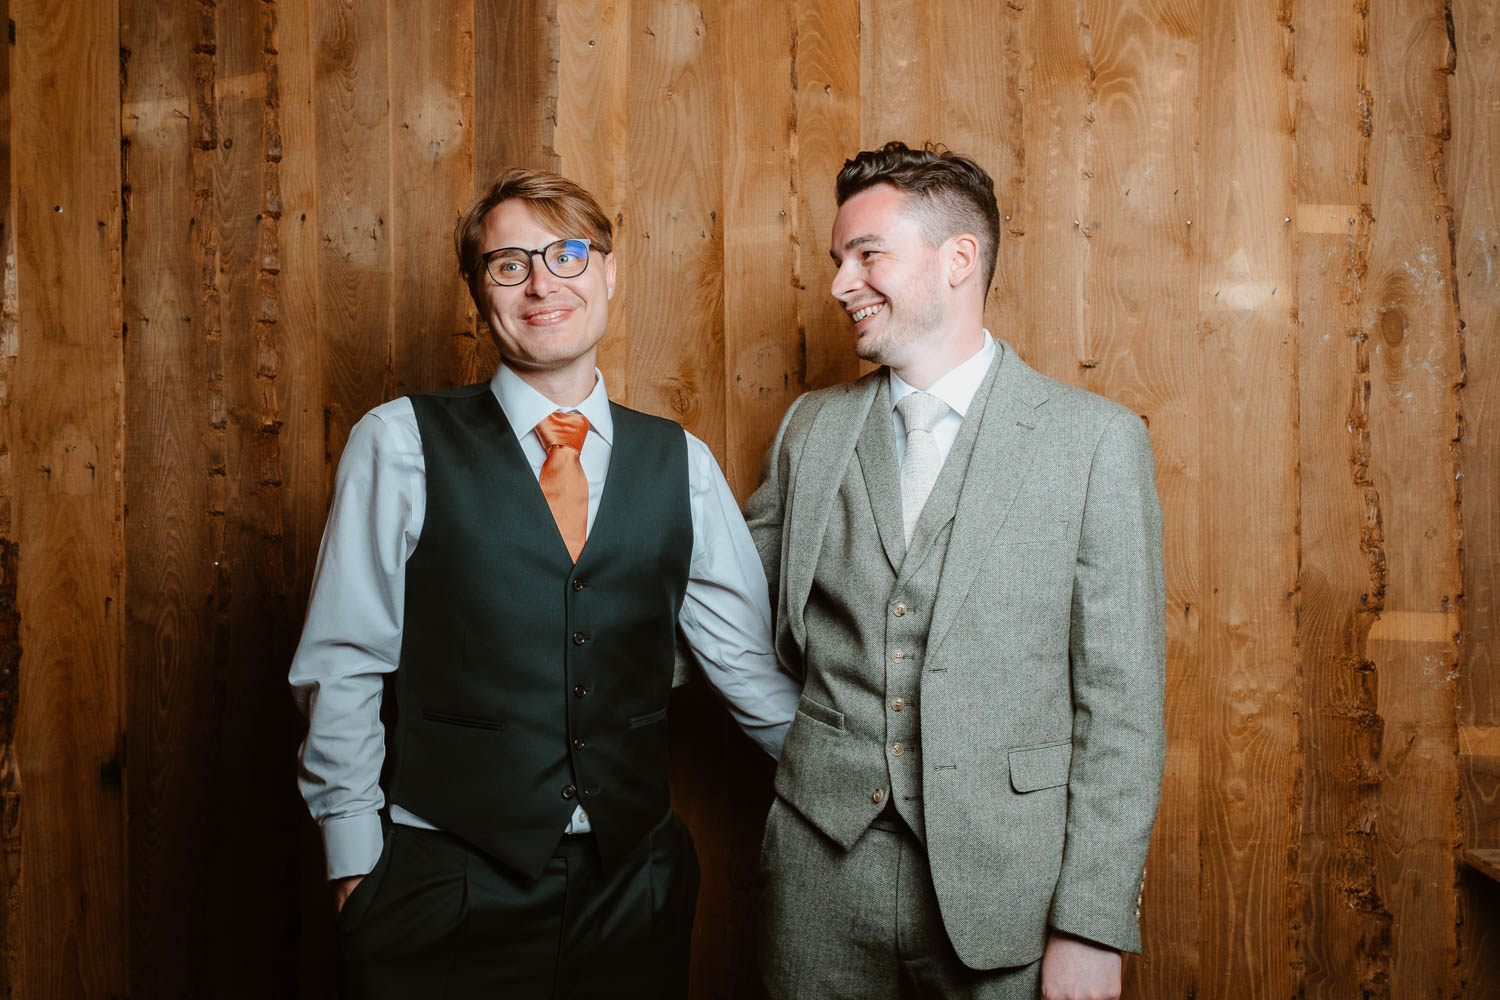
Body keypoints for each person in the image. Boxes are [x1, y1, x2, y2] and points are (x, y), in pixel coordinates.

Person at [289, 167, 800, 999]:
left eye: (565, 254)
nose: (541, 284)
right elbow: (343, 662)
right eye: (508, 264)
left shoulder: (683, 463)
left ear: (606, 273)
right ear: (478, 292)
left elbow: (748, 673)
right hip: (441, 884)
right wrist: (355, 872)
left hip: (634, 886)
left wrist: (871, 795)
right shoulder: (398, 444)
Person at [747, 141, 1166, 1000]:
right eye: (838, 261)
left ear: (958, 260)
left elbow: (1123, 707)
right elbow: (730, 608)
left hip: (1006, 895)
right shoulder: (810, 428)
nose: (839, 284)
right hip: (817, 883)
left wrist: (1090, 922)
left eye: (867, 255)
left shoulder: (1093, 441)